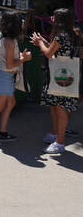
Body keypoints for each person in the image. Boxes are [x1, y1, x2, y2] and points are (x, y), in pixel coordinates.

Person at [30, 8, 78, 155]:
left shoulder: (59, 36)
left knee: (59, 107)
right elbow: (56, 49)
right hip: (68, 72)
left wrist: (40, 44)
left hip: (59, 74)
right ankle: (55, 133)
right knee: (56, 105)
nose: (51, 18)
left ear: (59, 20)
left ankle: (60, 141)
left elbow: (49, 54)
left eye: (54, 17)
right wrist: (44, 42)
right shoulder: (72, 34)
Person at [0, 11, 30, 145]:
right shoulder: (9, 41)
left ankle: (2, 132)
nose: (23, 23)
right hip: (3, 75)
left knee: (10, 103)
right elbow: (10, 64)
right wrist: (23, 59)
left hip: (3, 74)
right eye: (21, 21)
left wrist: (19, 57)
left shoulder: (4, 36)